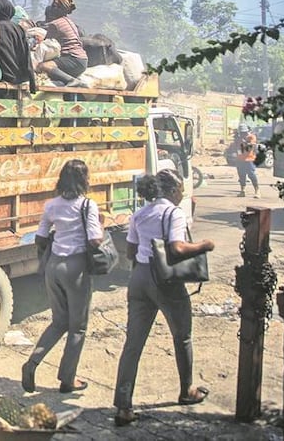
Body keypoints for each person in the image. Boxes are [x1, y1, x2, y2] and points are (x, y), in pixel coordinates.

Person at [113, 170, 215, 427]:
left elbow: (131, 251)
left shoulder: (140, 214)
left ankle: (123, 406)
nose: (182, 192)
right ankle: (186, 391)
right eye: (180, 188)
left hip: (139, 279)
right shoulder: (174, 213)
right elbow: (177, 248)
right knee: (183, 336)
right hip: (165, 282)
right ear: (171, 190)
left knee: (133, 344)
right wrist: (204, 245)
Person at [23, 160, 102, 394]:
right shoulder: (88, 205)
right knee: (77, 327)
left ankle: (32, 363)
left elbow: (40, 238)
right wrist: (102, 227)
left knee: (59, 322)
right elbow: (95, 240)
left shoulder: (51, 205)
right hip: (75, 268)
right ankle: (68, 379)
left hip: (53, 266)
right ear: (84, 180)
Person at [37, 0, 87, 86]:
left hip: (72, 58)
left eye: (54, 7)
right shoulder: (69, 21)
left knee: (43, 66)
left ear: (60, 10)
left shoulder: (55, 24)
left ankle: (71, 80)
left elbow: (46, 42)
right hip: (82, 59)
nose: (51, 9)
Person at [0, 0, 36, 90]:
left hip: (2, 77)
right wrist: (32, 81)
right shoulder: (18, 29)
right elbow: (26, 55)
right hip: (19, 78)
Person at [234, 125, 260, 198]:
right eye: (241, 133)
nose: (243, 134)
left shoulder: (251, 137)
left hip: (249, 159)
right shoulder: (239, 138)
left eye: (244, 132)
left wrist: (244, 142)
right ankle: (242, 191)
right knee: (241, 175)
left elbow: (250, 148)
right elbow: (237, 148)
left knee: (251, 175)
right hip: (240, 159)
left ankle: (257, 190)